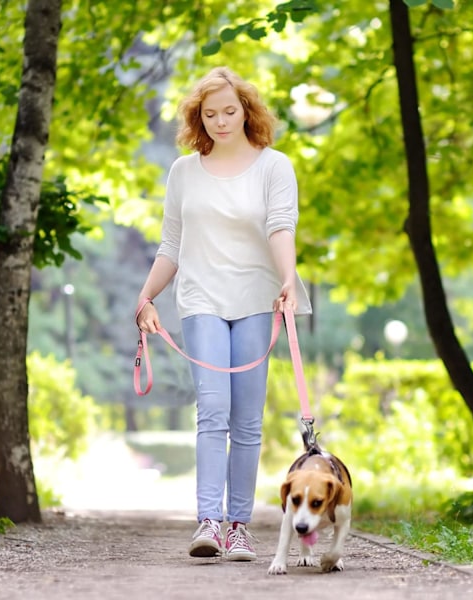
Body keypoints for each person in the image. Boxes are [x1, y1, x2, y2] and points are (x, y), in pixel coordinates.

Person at [135, 66, 311, 562]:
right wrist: (145, 297)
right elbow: (171, 244)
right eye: (209, 113)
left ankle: (239, 527)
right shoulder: (183, 172)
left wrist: (286, 280)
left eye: (229, 111)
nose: (220, 121)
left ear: (247, 110)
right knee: (212, 411)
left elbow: (281, 226)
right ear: (198, 117)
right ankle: (208, 522)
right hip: (201, 299)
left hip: (258, 299)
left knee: (247, 419)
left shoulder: (274, 166)